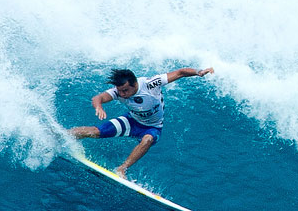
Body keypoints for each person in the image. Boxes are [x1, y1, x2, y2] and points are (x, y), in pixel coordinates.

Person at [69, 66, 214, 177]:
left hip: (152, 127)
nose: (122, 94)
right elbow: (97, 98)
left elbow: (180, 72)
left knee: (147, 140)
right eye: (120, 91)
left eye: (125, 90)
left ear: (134, 84)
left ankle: (121, 169)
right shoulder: (119, 91)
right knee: (96, 132)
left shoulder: (150, 84)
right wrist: (99, 106)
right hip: (131, 121)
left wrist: (198, 72)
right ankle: (63, 135)